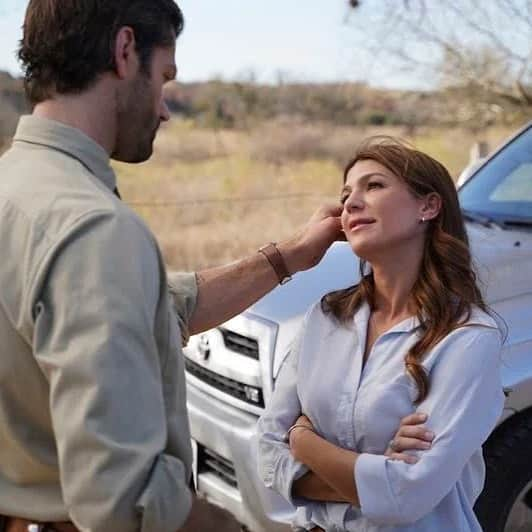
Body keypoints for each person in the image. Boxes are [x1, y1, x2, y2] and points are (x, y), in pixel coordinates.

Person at [0, 1, 348, 531]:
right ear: (124, 52)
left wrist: (289, 256)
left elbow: (155, 308)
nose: (164, 108)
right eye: (164, 77)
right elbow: (125, 501)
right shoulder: (95, 230)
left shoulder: (15, 187)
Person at [256, 137, 505, 531]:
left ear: (428, 206)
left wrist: (306, 443)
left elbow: (407, 497)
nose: (350, 203)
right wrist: (375, 473)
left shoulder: (469, 338)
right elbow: (267, 450)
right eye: (346, 193)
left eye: (373, 186)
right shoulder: (324, 318)